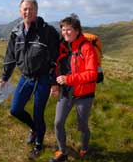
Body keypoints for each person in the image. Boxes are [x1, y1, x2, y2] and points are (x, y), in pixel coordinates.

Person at [0, 0, 60, 160]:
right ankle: (34, 128)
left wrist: (55, 82)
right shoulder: (16, 32)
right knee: (15, 109)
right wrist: (4, 78)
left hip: (43, 78)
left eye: (31, 9)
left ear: (36, 11)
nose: (28, 12)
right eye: (25, 9)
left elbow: (56, 59)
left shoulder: (47, 31)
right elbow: (10, 56)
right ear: (20, 11)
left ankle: (39, 144)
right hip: (25, 77)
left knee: (38, 113)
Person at [49, 14, 98, 162]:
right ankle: (62, 152)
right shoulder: (62, 47)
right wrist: (55, 85)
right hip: (66, 92)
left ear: (77, 30)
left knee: (82, 125)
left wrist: (68, 79)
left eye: (69, 29)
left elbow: (92, 74)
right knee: (58, 123)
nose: (65, 32)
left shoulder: (86, 47)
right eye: (63, 29)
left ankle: (84, 147)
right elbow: (57, 68)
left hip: (84, 94)